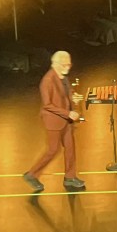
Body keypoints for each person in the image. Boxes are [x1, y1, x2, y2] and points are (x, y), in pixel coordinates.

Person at [23, 51, 85, 193]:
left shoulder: (63, 77)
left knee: (70, 148)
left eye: (69, 64)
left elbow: (67, 93)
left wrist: (73, 98)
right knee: (53, 150)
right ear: (55, 64)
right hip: (54, 121)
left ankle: (70, 177)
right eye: (64, 65)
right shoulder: (48, 81)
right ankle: (32, 174)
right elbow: (48, 105)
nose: (67, 67)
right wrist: (68, 113)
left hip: (66, 121)